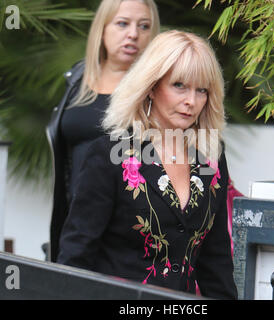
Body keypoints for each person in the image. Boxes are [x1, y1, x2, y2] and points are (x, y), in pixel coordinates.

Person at [57, 30, 238, 300]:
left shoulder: (210, 157)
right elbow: (76, 255)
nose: (191, 101)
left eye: (201, 90)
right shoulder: (110, 154)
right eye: (179, 85)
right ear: (152, 87)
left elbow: (216, 259)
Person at [46, 0, 160, 262]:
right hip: (73, 222)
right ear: (102, 28)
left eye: (144, 26)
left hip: (127, 232)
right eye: (122, 24)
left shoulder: (155, 90)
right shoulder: (77, 78)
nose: (133, 34)